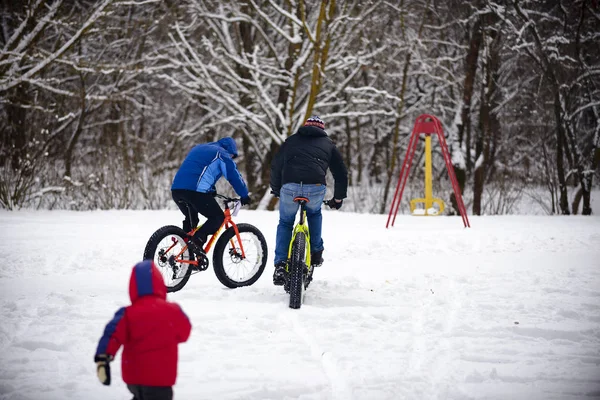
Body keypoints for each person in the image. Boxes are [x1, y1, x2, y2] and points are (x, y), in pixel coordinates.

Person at [94, 260, 192, 400]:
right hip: (160, 381)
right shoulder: (172, 311)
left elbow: (111, 334)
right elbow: (185, 332)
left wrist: (103, 357)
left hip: (133, 379)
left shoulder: (127, 314)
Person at [270, 115, 348, 285]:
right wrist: (338, 198)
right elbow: (341, 173)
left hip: (290, 186)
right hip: (315, 186)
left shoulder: (290, 141)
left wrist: (276, 188)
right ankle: (316, 252)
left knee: (285, 223)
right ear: (322, 129)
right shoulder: (328, 144)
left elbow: (276, 166)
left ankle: (280, 265)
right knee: (314, 214)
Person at [171, 137, 251, 257]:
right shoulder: (222, 153)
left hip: (177, 190)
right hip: (195, 192)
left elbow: (197, 171)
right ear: (230, 151)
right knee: (217, 218)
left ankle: (186, 251)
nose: (231, 159)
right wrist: (244, 194)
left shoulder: (198, 148)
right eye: (232, 156)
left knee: (192, 221)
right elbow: (233, 175)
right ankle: (196, 243)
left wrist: (211, 190)